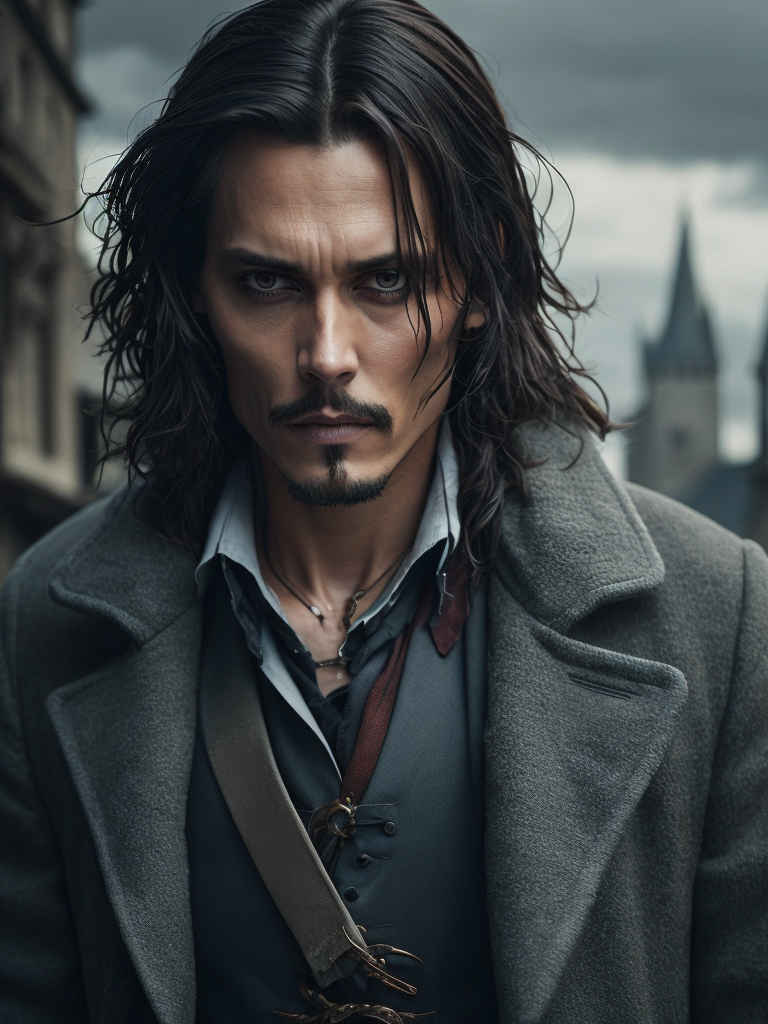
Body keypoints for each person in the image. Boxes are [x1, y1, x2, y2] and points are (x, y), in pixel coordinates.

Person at [1, 0, 766, 1021]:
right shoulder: (43, 628)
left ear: (479, 279)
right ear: (194, 288)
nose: (327, 353)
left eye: (387, 280)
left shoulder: (721, 620)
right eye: (267, 281)